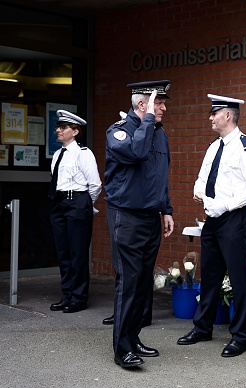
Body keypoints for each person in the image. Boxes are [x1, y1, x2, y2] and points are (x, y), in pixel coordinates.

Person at [177, 94, 246, 358]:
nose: (210, 117)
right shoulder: (214, 146)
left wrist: (225, 205)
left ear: (227, 115)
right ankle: (202, 327)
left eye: (214, 113)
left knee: (239, 278)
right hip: (213, 219)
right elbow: (204, 176)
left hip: (234, 218)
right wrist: (199, 191)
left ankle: (240, 336)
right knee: (210, 274)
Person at [104, 80, 174, 369]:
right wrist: (146, 121)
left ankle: (133, 338)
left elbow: (160, 175)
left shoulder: (159, 134)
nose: (164, 108)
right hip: (127, 216)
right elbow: (136, 152)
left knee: (143, 283)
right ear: (142, 104)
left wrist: (166, 209)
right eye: (159, 102)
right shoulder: (118, 131)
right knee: (129, 283)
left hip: (150, 217)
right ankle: (122, 349)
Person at [49, 110, 102, 314]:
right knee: (63, 253)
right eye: (58, 127)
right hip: (59, 203)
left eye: (63, 127)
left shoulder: (84, 153)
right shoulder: (57, 154)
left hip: (78, 202)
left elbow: (95, 184)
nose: (58, 130)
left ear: (75, 131)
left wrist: (86, 204)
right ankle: (67, 295)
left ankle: (79, 298)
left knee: (78, 253)